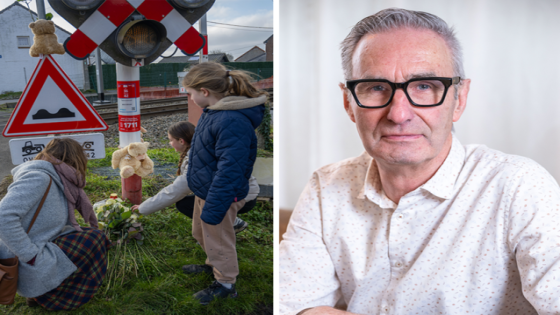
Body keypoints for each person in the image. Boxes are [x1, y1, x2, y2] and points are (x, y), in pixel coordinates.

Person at [279, 8, 560, 315]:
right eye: (376, 87)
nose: (399, 114)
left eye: (425, 86)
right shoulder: (326, 186)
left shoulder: (520, 186)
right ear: (349, 103)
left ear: (459, 99)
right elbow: (296, 305)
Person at [181, 62, 267, 305]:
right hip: (206, 190)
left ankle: (226, 283)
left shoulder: (231, 120)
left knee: (219, 240)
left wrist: (217, 204)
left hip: (220, 195)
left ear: (204, 92)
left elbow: (231, 169)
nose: (191, 97)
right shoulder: (215, 113)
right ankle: (214, 265)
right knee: (201, 233)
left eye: (191, 92)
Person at [0, 138, 110, 311]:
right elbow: (3, 217)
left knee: (90, 236)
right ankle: (51, 295)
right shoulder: (39, 177)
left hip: (38, 244)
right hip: (27, 256)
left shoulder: (56, 176)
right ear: (74, 159)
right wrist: (31, 255)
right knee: (94, 239)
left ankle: (46, 292)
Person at [130, 121, 258, 233]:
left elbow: (174, 192)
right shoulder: (202, 148)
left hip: (241, 198)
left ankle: (230, 224)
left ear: (181, 141)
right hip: (245, 192)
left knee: (186, 204)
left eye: (170, 140)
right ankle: (227, 223)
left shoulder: (197, 159)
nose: (169, 143)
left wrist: (142, 209)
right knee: (191, 201)